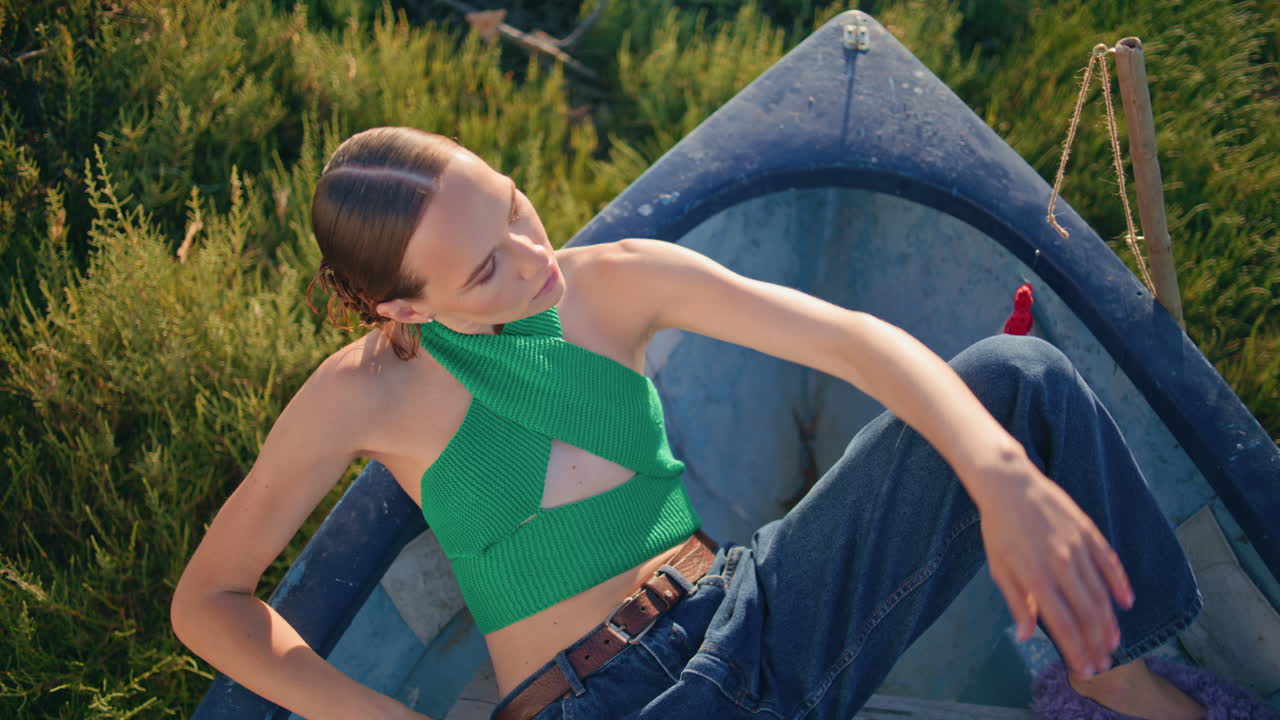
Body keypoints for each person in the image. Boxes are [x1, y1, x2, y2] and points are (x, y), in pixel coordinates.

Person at [172, 126, 1221, 720]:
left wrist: (994, 475)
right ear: (402, 306)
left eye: (513, 206)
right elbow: (208, 602)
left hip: (750, 608)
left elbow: (852, 341)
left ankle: (1107, 678)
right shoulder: (362, 393)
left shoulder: (615, 285)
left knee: (1014, 377)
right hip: (601, 705)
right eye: (486, 267)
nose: (538, 259)